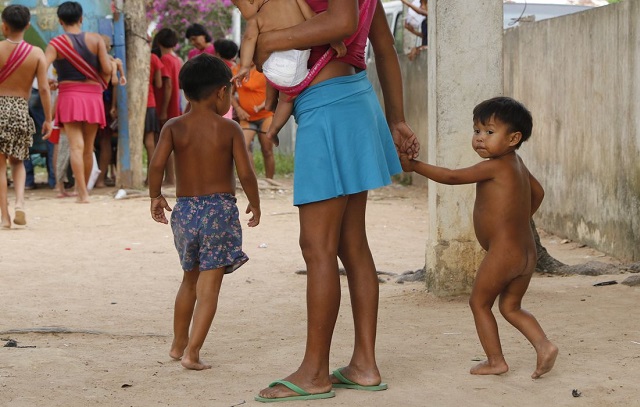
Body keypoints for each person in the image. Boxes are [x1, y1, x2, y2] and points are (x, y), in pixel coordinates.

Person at [253, 0, 419, 402]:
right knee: (350, 243)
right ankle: (363, 365)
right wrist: (395, 117)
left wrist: (270, 39)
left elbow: (342, 22)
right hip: (351, 100)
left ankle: (314, 372)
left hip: (328, 108)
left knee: (317, 247)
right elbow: (384, 48)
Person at [400, 96, 559, 379]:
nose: (479, 139)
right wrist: (518, 219)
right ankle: (544, 345)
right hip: (526, 252)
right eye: (476, 131)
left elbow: (451, 177)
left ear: (514, 138)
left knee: (479, 303)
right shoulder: (517, 164)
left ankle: (496, 361)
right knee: (511, 307)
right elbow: (539, 192)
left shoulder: (496, 166)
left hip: (504, 253)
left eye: (489, 132)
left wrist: (415, 166)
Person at [148, 54, 261, 371]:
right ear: (222, 93)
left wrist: (156, 196)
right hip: (218, 212)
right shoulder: (230, 129)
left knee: (189, 281)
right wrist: (255, 201)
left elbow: (156, 165)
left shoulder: (173, 127)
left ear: (185, 91)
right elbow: (247, 173)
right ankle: (192, 353)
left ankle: (177, 344)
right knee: (208, 288)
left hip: (184, 212)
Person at [231, 0, 346, 144]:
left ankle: (270, 104)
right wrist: (332, 39)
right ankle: (273, 129)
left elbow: (248, 38)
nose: (241, 13)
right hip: (296, 66)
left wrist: (244, 66)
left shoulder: (257, 19)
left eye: (239, 7)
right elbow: (313, 18)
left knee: (272, 70)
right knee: (287, 99)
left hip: (273, 66)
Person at [45, 1, 113, 203]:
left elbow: (42, 65)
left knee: (76, 145)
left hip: (69, 96)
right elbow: (107, 70)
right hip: (93, 96)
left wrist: (49, 81)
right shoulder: (96, 40)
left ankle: (81, 193)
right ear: (81, 18)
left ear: (60, 21)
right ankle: (84, 191)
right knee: (88, 146)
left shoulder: (55, 44)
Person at [0, 4, 52, 228]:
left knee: (0, 166)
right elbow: (43, 89)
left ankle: (5, 216)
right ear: (28, 25)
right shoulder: (37, 53)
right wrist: (48, 119)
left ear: (4, 26)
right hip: (21, 109)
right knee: (18, 161)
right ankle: (20, 203)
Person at [230, 59, 275, 179]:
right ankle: (253, 180)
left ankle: (269, 180)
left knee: (267, 150)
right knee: (244, 147)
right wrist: (238, 109)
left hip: (265, 116)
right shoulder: (235, 70)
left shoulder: (265, 69)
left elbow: (276, 92)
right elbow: (229, 93)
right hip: (247, 117)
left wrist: (262, 106)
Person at [153, 28, 183, 185]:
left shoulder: (164, 60)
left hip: (166, 106)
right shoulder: (177, 59)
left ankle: (170, 177)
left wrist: (163, 109)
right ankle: (173, 177)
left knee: (164, 143)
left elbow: (168, 85)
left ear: (158, 42)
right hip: (176, 105)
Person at [143, 50, 164, 185]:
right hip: (149, 101)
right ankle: (151, 178)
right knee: (150, 143)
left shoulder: (126, 55)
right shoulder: (153, 58)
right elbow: (159, 83)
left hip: (130, 103)